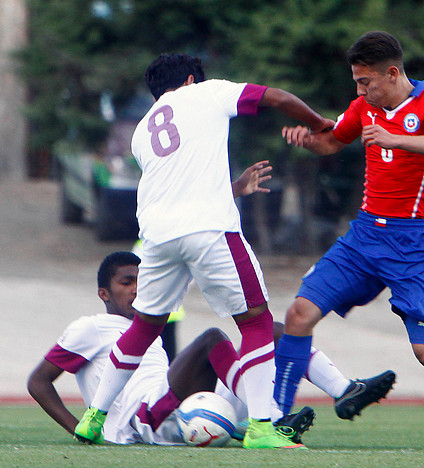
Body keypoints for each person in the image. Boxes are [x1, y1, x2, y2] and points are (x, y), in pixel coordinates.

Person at [73, 53, 335, 449]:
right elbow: (278, 97)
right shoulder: (208, 93)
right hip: (210, 229)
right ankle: (263, 428)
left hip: (157, 236)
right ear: (192, 79)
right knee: (255, 322)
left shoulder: (142, 131)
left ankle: (94, 417)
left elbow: (179, 184)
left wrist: (231, 188)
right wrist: (319, 124)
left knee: (144, 327)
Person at [274, 31, 424, 448]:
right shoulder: (363, 107)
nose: (359, 90)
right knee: (299, 314)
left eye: (365, 82)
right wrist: (308, 140)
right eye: (357, 82)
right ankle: (274, 421)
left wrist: (396, 139)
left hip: (410, 245)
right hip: (362, 239)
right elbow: (331, 140)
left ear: (392, 73)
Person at [29, 251, 396, 445]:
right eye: (127, 282)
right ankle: (268, 419)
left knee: (277, 332)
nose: (138, 289)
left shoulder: (148, 332)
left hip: (181, 408)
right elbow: (39, 382)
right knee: (210, 340)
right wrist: (78, 428)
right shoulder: (91, 327)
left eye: (144, 281)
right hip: (143, 422)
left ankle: (343, 391)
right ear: (103, 294)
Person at [129, 160, 273, 363]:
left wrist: (236, 189)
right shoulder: (148, 241)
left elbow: (196, 207)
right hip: (152, 312)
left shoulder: (157, 230)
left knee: (161, 362)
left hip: (167, 315)